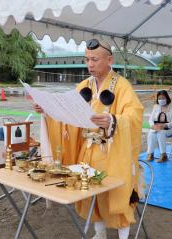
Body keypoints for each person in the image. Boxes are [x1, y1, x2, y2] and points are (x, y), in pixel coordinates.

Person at [33, 39, 144, 239]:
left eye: (94, 60)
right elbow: (66, 113)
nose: (90, 64)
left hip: (111, 152)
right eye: (87, 60)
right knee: (90, 192)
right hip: (87, 151)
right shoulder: (84, 86)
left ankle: (123, 236)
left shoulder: (122, 86)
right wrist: (48, 110)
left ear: (109, 60)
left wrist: (112, 120)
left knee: (117, 193)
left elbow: (134, 116)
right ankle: (99, 233)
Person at [146, 90, 172, 163]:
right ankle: (150, 153)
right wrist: (152, 125)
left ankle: (163, 155)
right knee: (151, 133)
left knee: (161, 132)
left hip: (169, 128)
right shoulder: (156, 106)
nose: (161, 100)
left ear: (167, 98)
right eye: (159, 98)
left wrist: (164, 125)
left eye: (163, 98)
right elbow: (150, 119)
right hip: (157, 127)